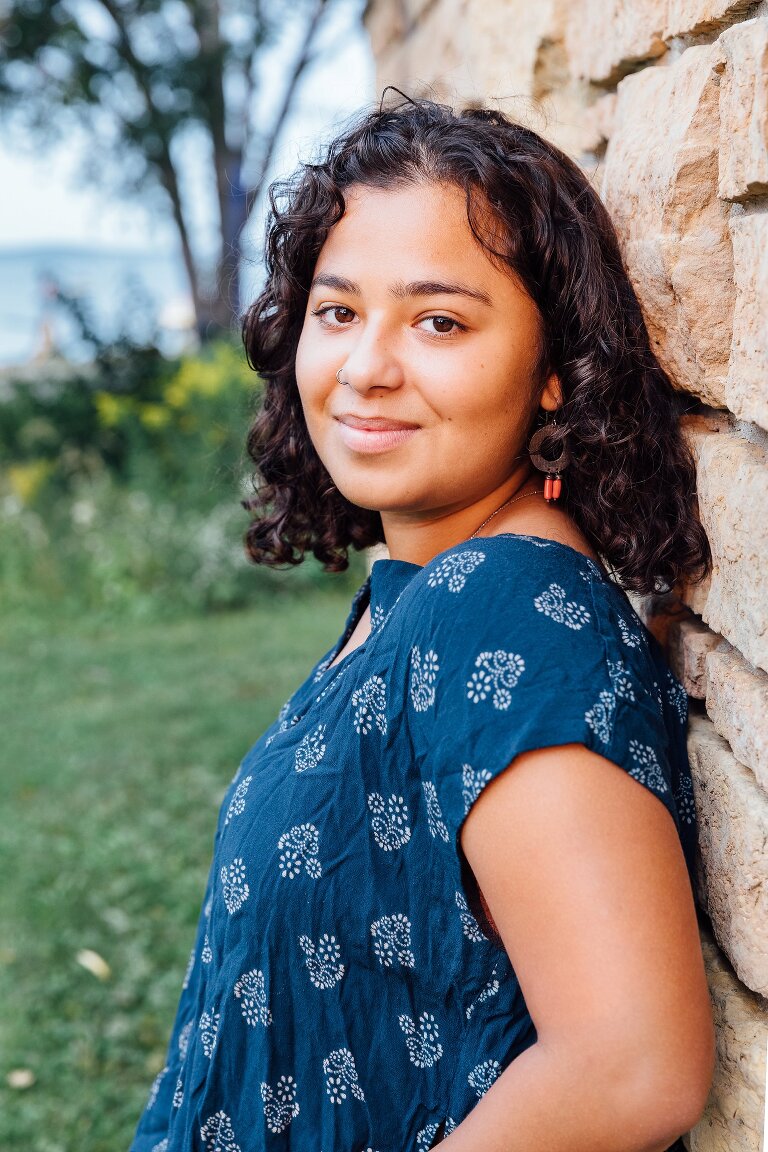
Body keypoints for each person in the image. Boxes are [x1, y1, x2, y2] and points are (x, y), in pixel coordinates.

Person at [130, 92, 715, 1152]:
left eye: (439, 320)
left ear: (553, 373)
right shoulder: (425, 589)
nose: (366, 368)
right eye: (338, 311)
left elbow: (632, 1068)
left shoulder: (512, 617)